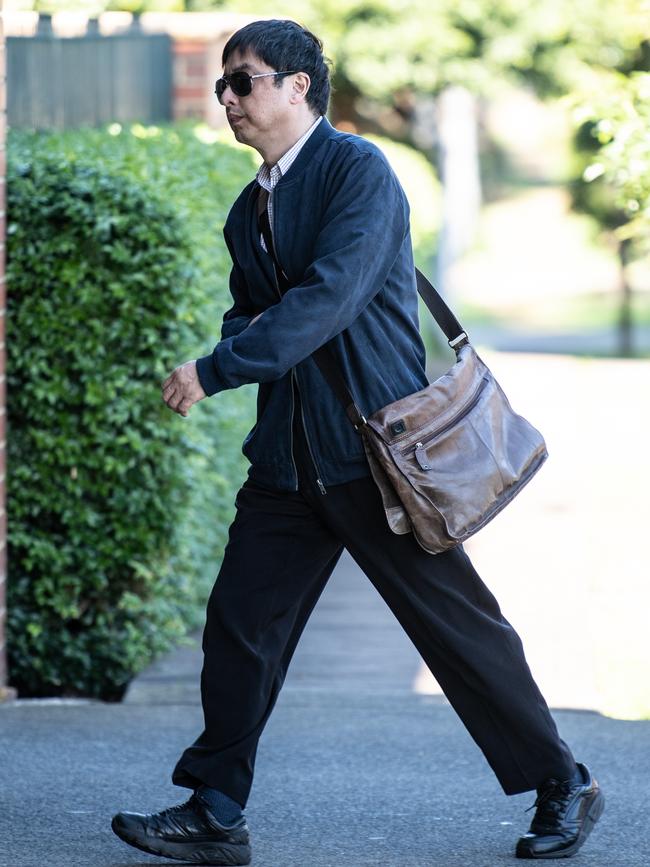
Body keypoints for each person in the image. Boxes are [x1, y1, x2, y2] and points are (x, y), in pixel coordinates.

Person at [111, 18, 604, 865]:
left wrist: (218, 366)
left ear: (299, 86)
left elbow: (328, 298)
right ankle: (216, 808)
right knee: (239, 623)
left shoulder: (358, 172)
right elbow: (251, 307)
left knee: (457, 626)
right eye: (224, 84)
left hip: (374, 457)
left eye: (244, 80)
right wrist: (244, 337)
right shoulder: (249, 206)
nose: (228, 98)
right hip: (286, 463)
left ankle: (564, 782)